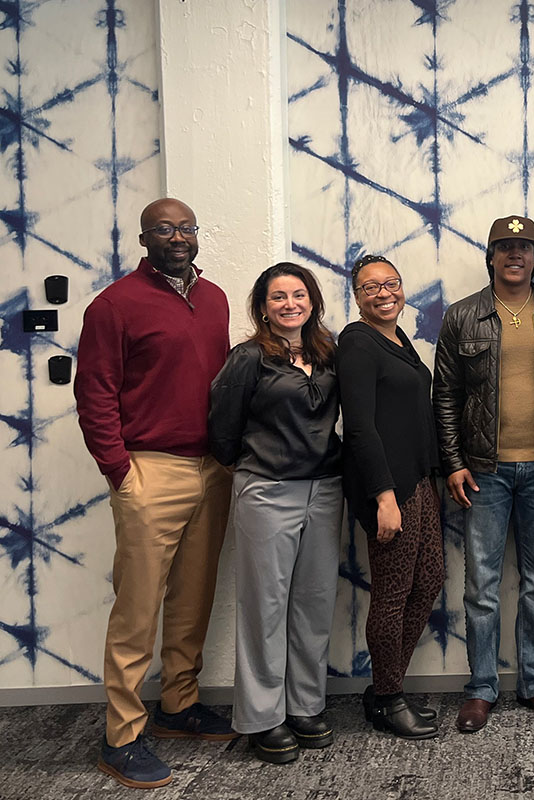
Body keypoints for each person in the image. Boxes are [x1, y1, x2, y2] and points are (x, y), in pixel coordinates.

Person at [75, 197, 235, 789]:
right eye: (165, 229)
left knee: (194, 597)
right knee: (137, 608)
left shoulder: (214, 297)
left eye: (187, 227)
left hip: (210, 468)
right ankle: (121, 734)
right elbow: (95, 393)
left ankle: (179, 704)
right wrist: (119, 470)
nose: (178, 236)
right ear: (144, 238)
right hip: (149, 470)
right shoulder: (114, 305)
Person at [433, 215, 534, 733]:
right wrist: (453, 462)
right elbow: (445, 399)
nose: (514, 254)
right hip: (484, 471)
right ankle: (480, 689)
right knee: (482, 583)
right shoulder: (462, 316)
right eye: (504, 247)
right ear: (491, 256)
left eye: (524, 247)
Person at [208, 263, 342, 764]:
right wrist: (250, 469)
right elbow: (222, 428)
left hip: (326, 489)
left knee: (313, 602)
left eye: (299, 294)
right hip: (266, 491)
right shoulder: (248, 358)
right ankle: (264, 718)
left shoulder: (329, 353)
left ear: (313, 301)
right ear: (263, 307)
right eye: (279, 296)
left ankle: (305, 706)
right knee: (265, 607)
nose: (290, 304)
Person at [338, 255, 444, 740]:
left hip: (417, 482)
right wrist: (383, 496)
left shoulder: (399, 340)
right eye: (370, 287)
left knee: (428, 581)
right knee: (393, 594)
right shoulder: (357, 343)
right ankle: (387, 698)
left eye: (392, 283)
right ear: (356, 296)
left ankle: (386, 686)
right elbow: (359, 427)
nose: (384, 293)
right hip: (388, 489)